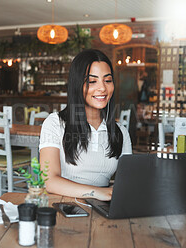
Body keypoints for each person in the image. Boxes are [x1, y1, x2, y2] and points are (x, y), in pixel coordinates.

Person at [39, 49, 132, 201]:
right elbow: (49, 181)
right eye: (92, 81)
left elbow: (127, 181)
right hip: (61, 205)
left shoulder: (121, 132)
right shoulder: (55, 123)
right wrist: (98, 193)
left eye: (107, 80)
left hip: (101, 212)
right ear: (77, 84)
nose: (102, 88)